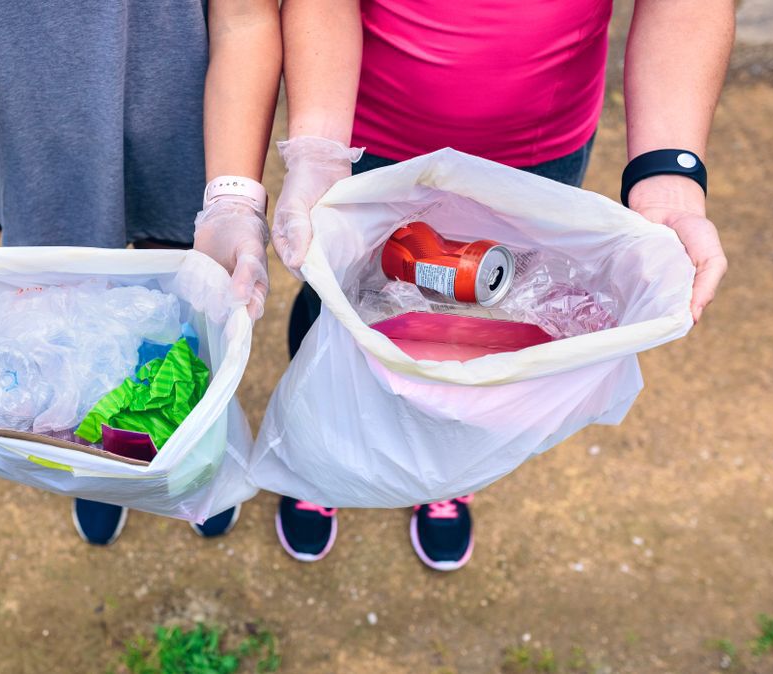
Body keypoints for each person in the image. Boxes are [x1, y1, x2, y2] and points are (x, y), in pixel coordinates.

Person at [272, 0, 731, 570]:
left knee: (501, 324)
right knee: (341, 304)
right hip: (370, 141)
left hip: (539, 151)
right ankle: (322, 454)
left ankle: (443, 465)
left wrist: (670, 179)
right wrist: (318, 151)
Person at [0, 0, 281, 544]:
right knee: (65, 329)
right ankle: (95, 457)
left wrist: (233, 199)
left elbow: (246, 18)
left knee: (189, 310)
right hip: (39, 147)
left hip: (197, 133)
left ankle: (193, 446)